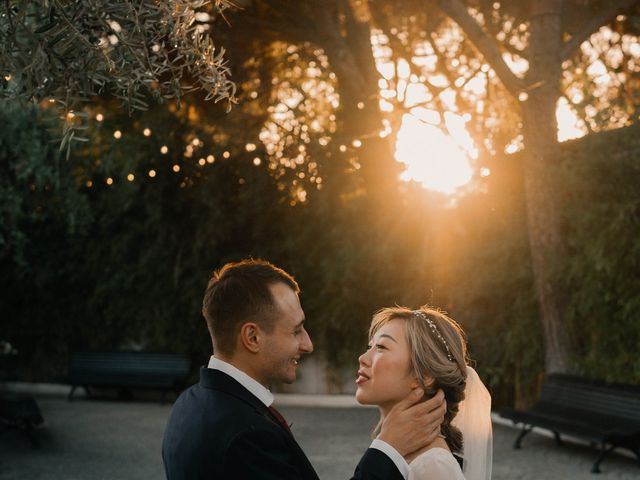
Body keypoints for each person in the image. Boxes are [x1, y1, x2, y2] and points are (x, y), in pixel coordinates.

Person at [162, 259, 447, 480]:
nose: (308, 344)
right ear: (252, 338)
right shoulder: (245, 436)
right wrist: (388, 447)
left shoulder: (188, 404)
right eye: (296, 331)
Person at [355, 306, 492, 480]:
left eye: (381, 347)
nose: (362, 358)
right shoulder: (393, 451)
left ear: (425, 375)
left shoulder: (433, 466)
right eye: (370, 346)